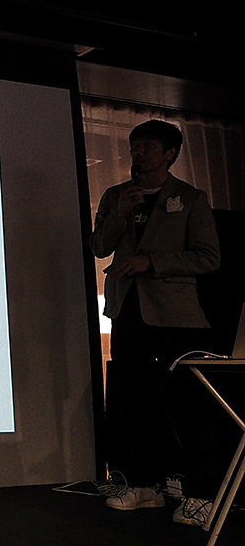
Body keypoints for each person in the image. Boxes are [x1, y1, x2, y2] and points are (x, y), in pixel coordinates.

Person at [90, 120, 220, 517]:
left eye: (148, 146)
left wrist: (151, 262)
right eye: (134, 145)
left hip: (177, 317)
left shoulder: (190, 198)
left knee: (185, 403)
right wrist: (119, 214)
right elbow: (99, 246)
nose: (138, 152)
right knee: (132, 400)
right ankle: (142, 485)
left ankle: (200, 494)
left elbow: (208, 257)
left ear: (170, 153)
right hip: (127, 311)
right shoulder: (115, 195)